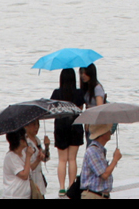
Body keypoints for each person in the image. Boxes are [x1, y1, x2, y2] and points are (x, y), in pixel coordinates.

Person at [50, 67, 83, 195]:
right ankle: (71, 186)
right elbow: (80, 109)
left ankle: (62, 188)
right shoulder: (79, 93)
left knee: (62, 160)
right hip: (75, 126)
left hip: (61, 127)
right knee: (72, 159)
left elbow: (52, 109)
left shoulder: (56, 93)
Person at [80, 124, 121, 199]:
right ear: (102, 134)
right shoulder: (93, 151)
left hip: (101, 195)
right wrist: (115, 160)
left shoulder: (100, 150)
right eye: (108, 130)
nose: (110, 132)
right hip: (93, 195)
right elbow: (104, 174)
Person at [2, 129, 35, 199]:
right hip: (14, 196)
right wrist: (28, 156)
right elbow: (24, 175)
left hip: (24, 195)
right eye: (25, 136)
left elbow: (28, 168)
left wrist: (38, 159)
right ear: (21, 140)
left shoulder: (23, 153)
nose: (27, 138)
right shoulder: (11, 157)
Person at [80, 63, 107, 146]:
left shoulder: (97, 88)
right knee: (89, 146)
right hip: (88, 122)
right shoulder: (87, 89)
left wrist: (90, 122)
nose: (83, 75)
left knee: (93, 146)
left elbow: (99, 108)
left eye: (85, 73)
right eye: (81, 73)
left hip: (95, 124)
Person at [24, 119, 51, 198]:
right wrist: (38, 160)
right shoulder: (25, 143)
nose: (36, 127)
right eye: (34, 124)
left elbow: (45, 158)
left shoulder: (37, 140)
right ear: (26, 126)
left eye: (38, 124)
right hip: (30, 182)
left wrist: (47, 146)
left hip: (39, 181)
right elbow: (27, 167)